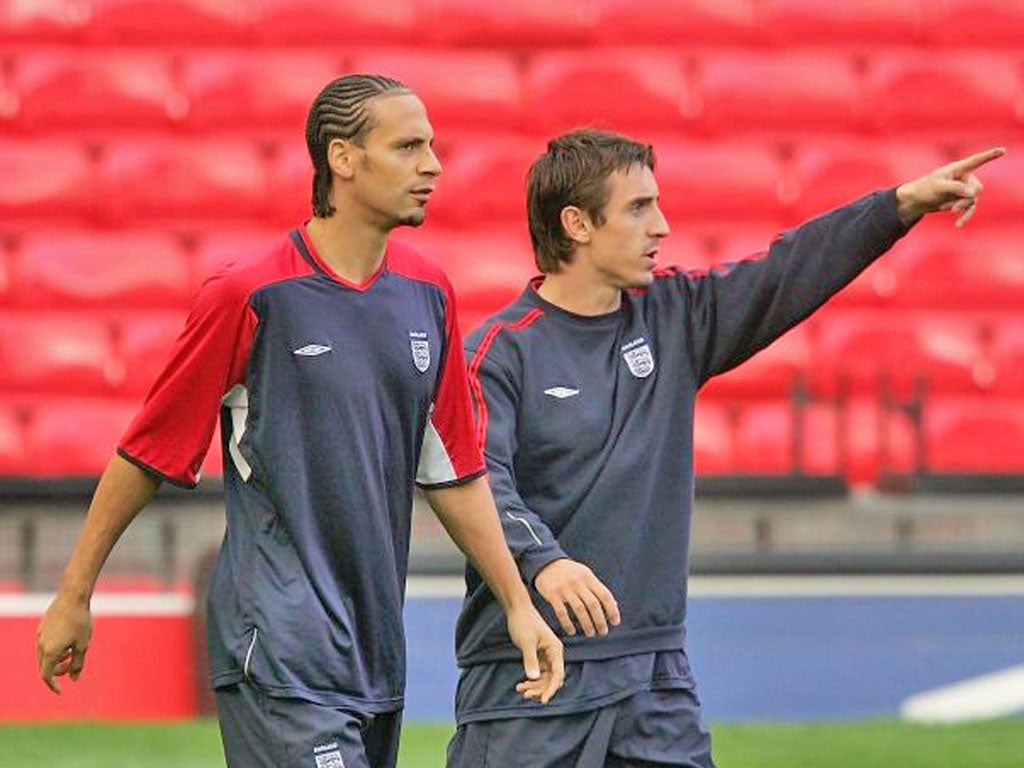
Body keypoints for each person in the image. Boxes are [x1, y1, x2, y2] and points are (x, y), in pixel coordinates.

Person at [35, 74, 564, 768]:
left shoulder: (429, 293)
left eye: (431, 146)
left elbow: (454, 472)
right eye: (408, 146)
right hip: (276, 648)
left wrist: (517, 602)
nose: (432, 165)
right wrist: (73, 595)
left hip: (375, 651)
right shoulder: (248, 295)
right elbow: (147, 455)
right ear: (343, 158)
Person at [447, 129, 1003, 768]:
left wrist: (899, 205)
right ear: (576, 223)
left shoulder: (676, 316)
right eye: (638, 208)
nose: (662, 225)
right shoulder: (499, 352)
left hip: (655, 681)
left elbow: (786, 271)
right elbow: (477, 475)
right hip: (529, 677)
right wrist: (544, 560)